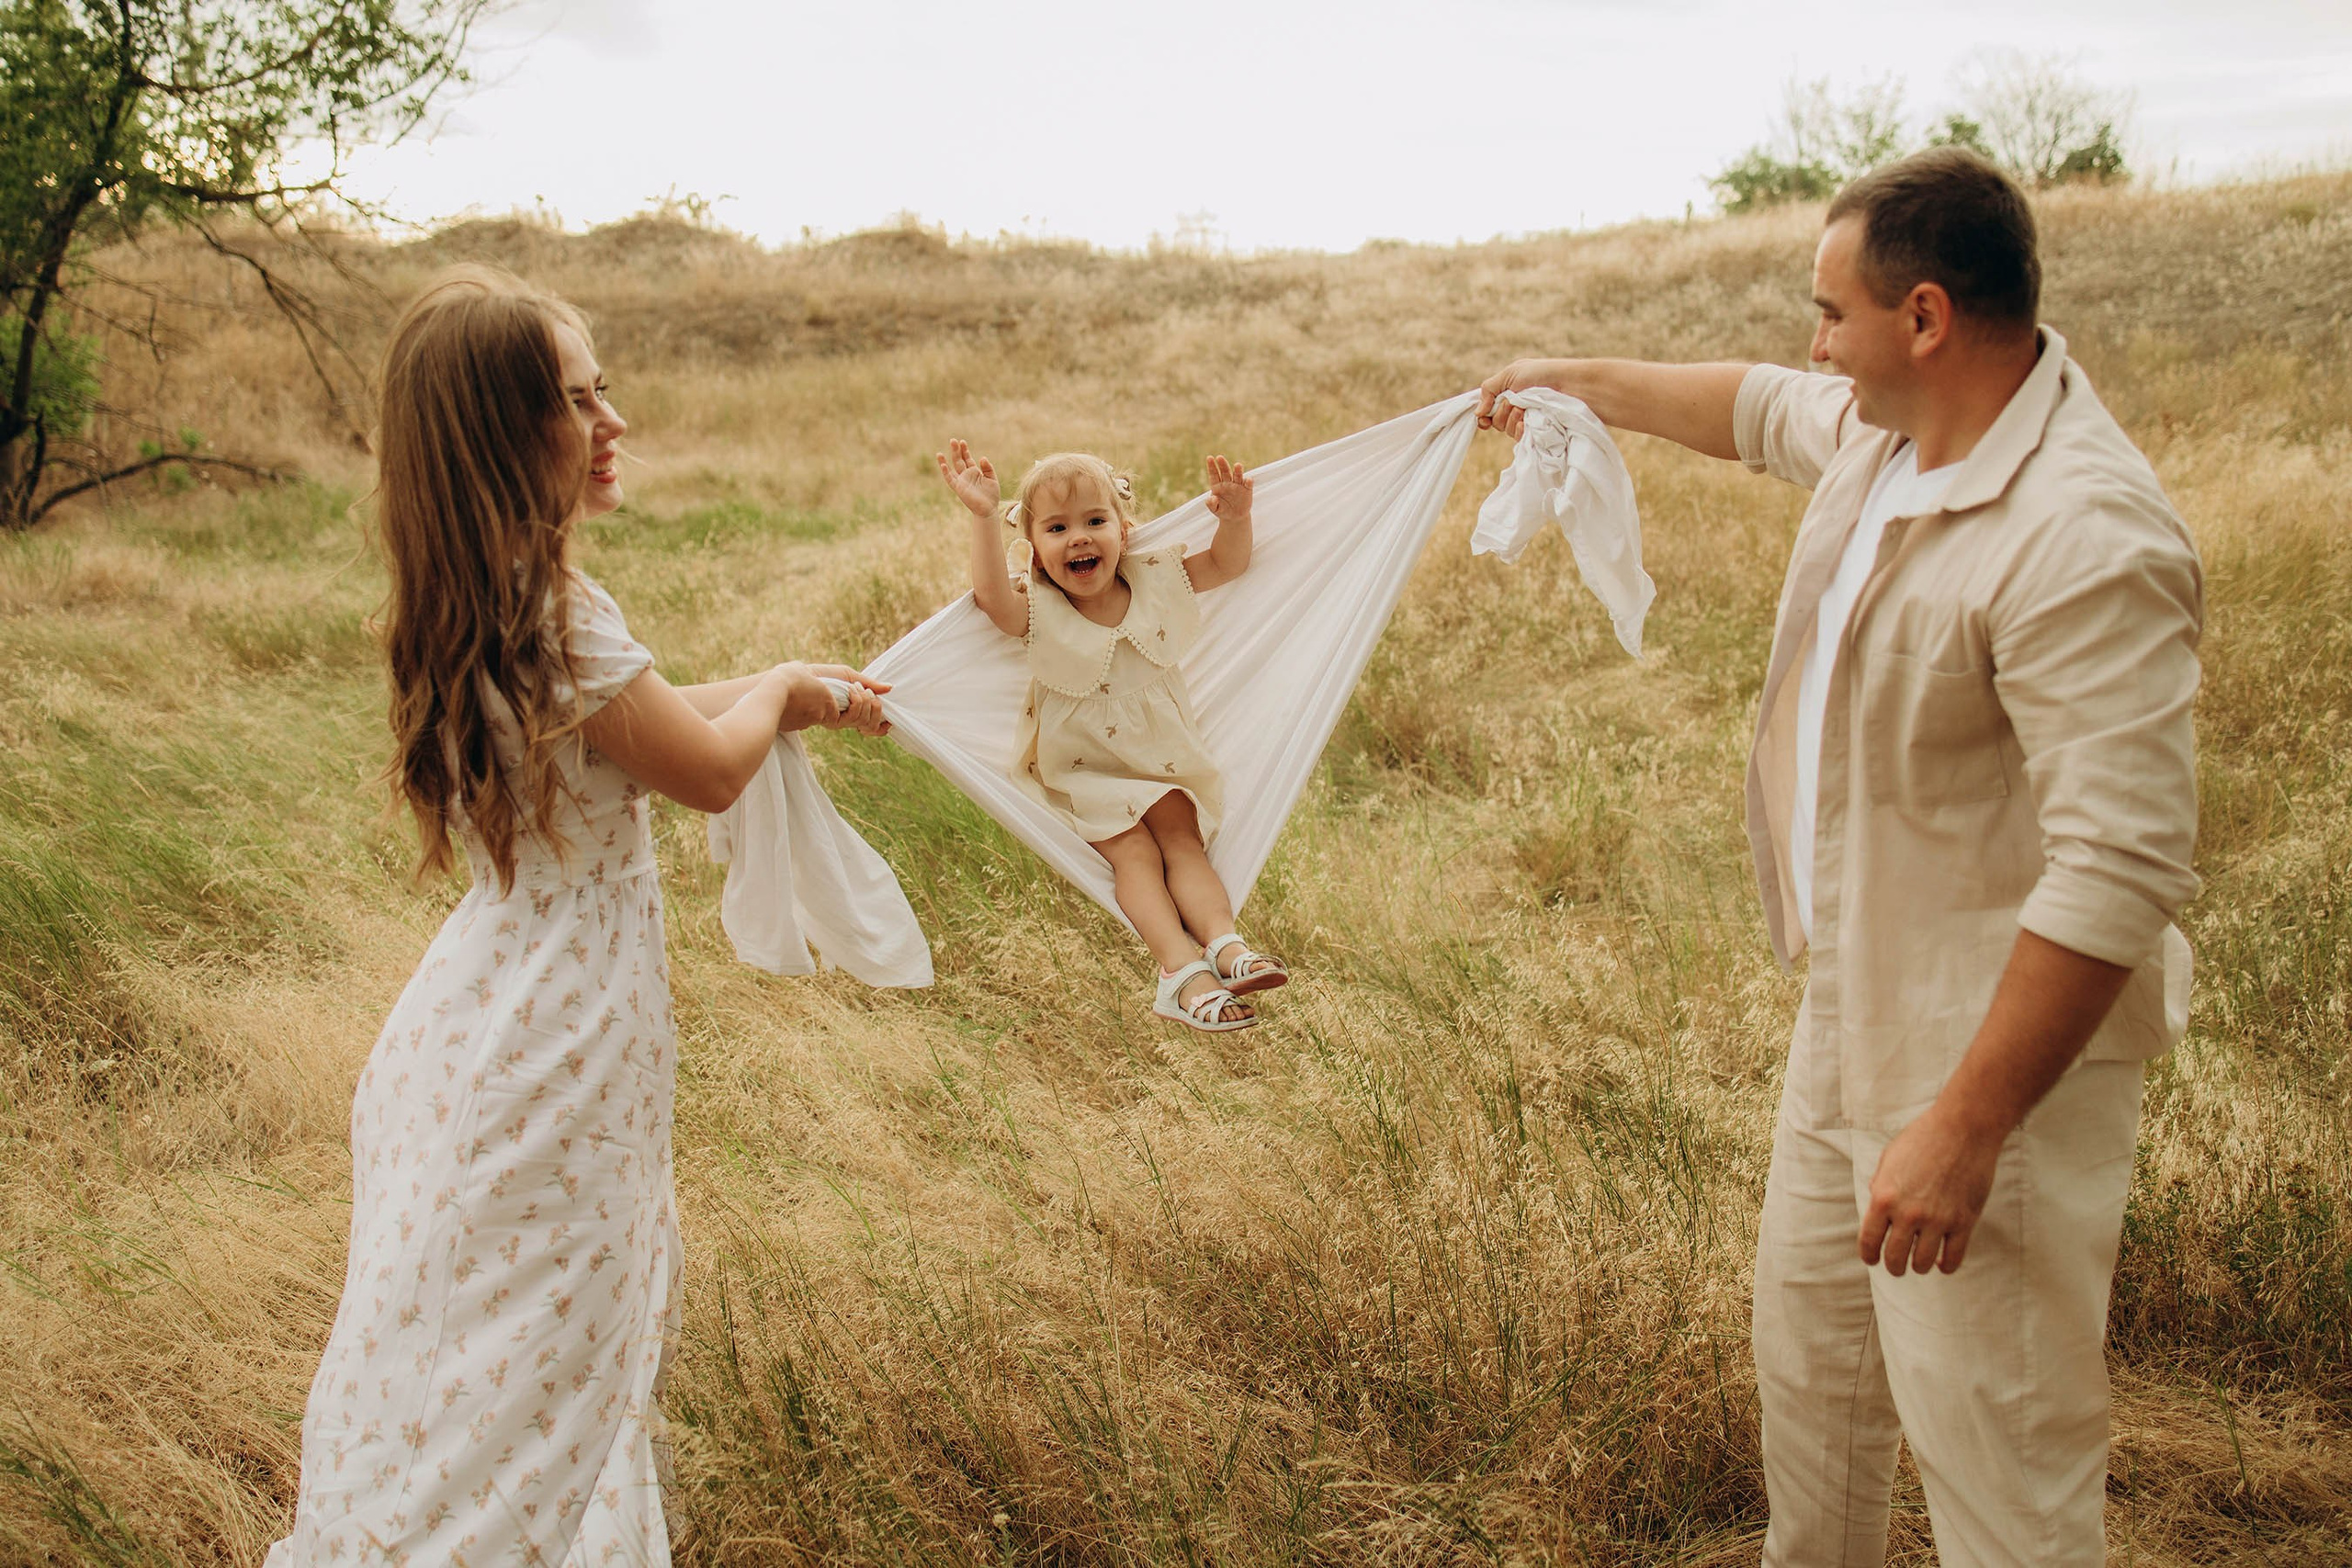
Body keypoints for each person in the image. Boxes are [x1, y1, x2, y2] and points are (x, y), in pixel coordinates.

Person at [1477, 148, 2201, 1564]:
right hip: (1853, 1004)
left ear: (1924, 317)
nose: (1814, 345)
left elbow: (2119, 866)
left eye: (1829, 313)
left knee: (2005, 1462)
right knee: (1817, 1399)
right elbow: (1750, 407)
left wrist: (1965, 1126)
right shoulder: (1894, 430)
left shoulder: (2085, 533)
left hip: (1991, 1061)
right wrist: (1566, 377)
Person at [268, 265, 888, 1565]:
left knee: (474, 1344)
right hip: (560, 1026)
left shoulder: (479, 592)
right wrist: (782, 688)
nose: (612, 422)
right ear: (498, 434)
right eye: (574, 400)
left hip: (482, 1005)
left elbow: (633, 728)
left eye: (603, 390)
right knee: (544, 1355)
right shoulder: (559, 605)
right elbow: (703, 768)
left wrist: (800, 694)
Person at [935, 441, 1289, 1031]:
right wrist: (983, 517)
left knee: (1182, 841)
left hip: (1161, 759)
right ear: (1036, 553)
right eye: (1057, 528)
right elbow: (991, 598)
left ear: (1123, 532)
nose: (1079, 538)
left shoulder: (1156, 579)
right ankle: (1179, 971)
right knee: (1135, 852)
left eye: (1095, 521)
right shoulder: (1038, 608)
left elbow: (1227, 565)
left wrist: (1235, 519)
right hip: (1086, 770)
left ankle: (1226, 945)